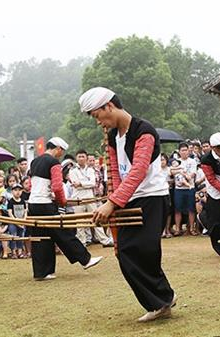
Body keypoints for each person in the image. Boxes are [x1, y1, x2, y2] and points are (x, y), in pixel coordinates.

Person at [80, 87, 175, 323]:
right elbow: (115, 172)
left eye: (97, 116)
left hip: (152, 197)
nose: (98, 122)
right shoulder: (113, 136)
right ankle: (162, 299)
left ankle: (161, 300)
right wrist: (113, 201)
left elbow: (138, 171)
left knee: (142, 249)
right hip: (129, 197)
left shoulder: (144, 131)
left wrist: (111, 204)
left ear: (108, 107)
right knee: (126, 251)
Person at [27, 136, 102, 281]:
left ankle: (41, 272)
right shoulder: (54, 163)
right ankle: (85, 260)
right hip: (46, 204)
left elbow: (31, 185)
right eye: (62, 151)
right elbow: (57, 186)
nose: (61, 154)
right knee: (63, 233)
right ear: (58, 149)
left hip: (33, 203)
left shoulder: (35, 161)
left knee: (41, 237)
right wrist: (62, 201)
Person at [70, 149, 113, 247]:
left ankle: (104, 240)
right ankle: (82, 242)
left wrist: (81, 183)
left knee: (96, 218)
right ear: (76, 158)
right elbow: (74, 183)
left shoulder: (90, 170)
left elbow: (93, 183)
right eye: (79, 156)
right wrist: (85, 183)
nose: (81, 158)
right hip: (78, 199)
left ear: (86, 158)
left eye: (83, 156)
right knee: (79, 221)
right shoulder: (72, 170)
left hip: (90, 197)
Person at [172, 142, 197, 236]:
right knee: (177, 209)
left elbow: (193, 174)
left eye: (186, 150)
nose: (184, 152)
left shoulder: (192, 161)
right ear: (179, 151)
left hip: (190, 188)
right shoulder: (176, 162)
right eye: (182, 150)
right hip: (178, 188)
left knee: (191, 209)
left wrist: (187, 176)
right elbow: (173, 172)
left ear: (188, 151)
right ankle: (178, 229)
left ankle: (191, 228)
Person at [7, 184, 27, 258]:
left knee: (21, 236)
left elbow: (25, 211)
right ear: (12, 191)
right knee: (13, 236)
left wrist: (24, 220)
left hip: (22, 222)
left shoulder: (23, 201)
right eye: (15, 190)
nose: (17, 192)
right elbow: (10, 213)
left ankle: (20, 252)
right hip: (13, 222)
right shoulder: (10, 201)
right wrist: (16, 222)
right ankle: (13, 252)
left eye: (19, 190)